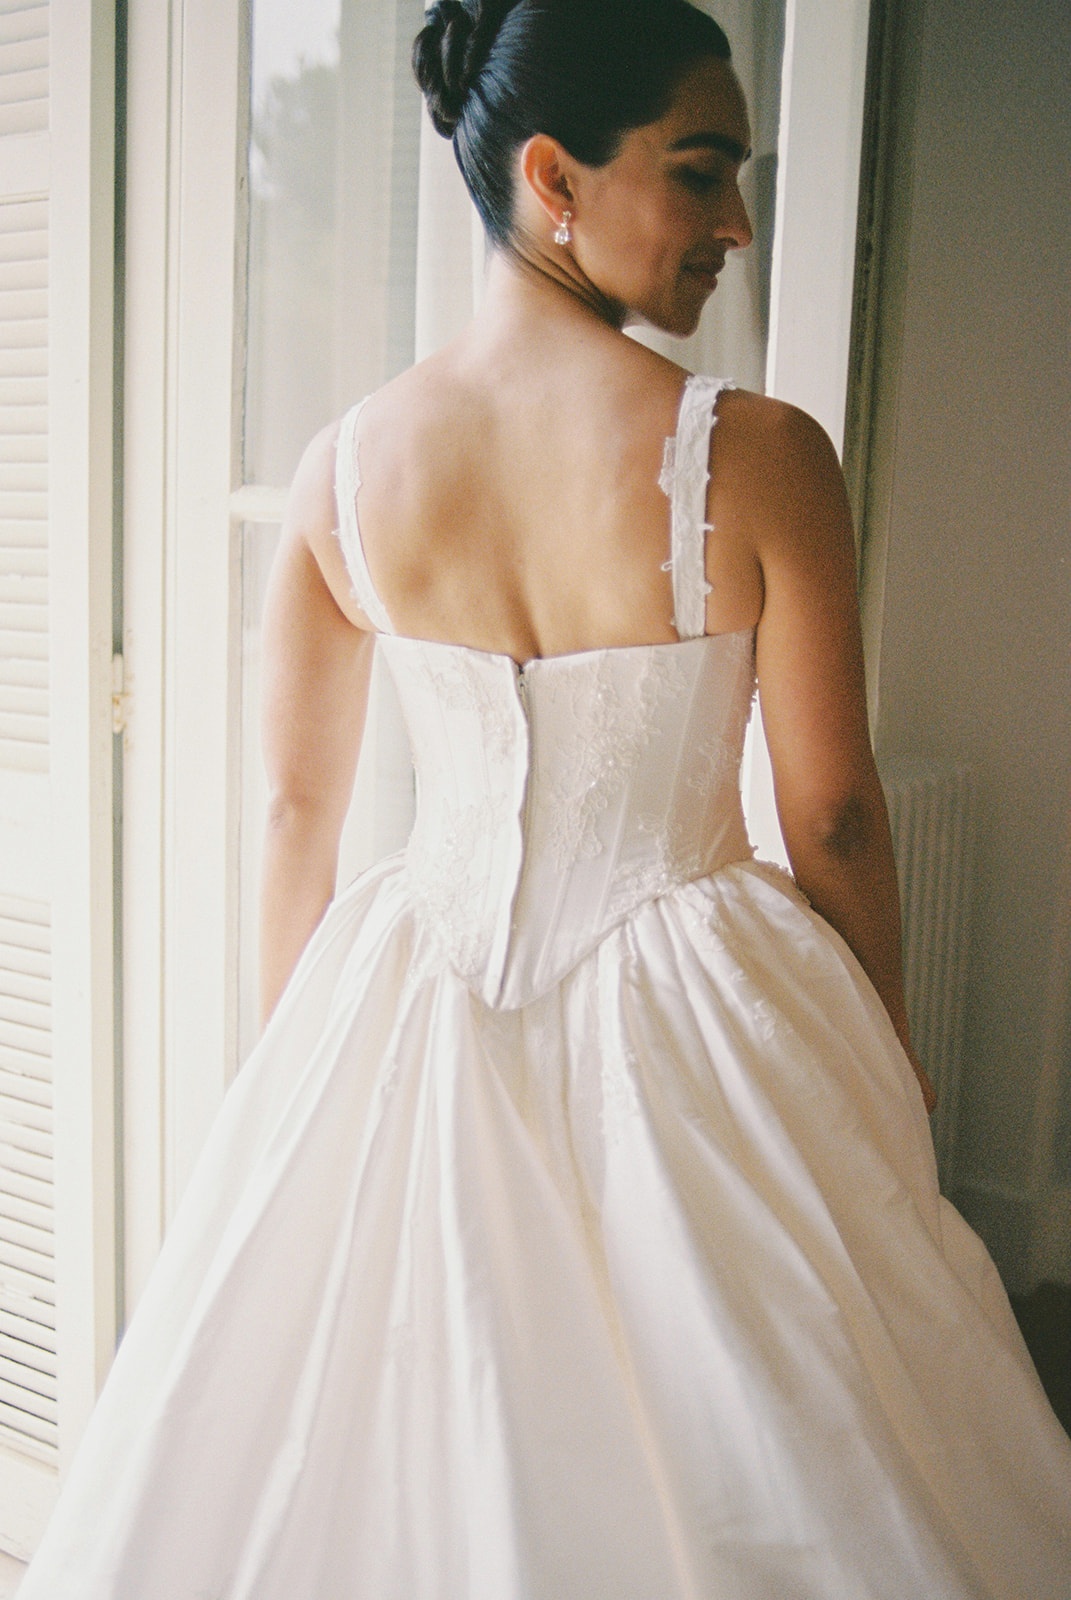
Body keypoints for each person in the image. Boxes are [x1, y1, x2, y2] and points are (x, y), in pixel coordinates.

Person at [20, 1, 1071, 1595]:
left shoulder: (341, 471)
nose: (738, 223)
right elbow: (837, 817)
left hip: (415, 980)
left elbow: (297, 817)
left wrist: (294, 1087)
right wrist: (883, 1052)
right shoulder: (761, 456)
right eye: (702, 169)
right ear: (552, 177)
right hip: (704, 1001)